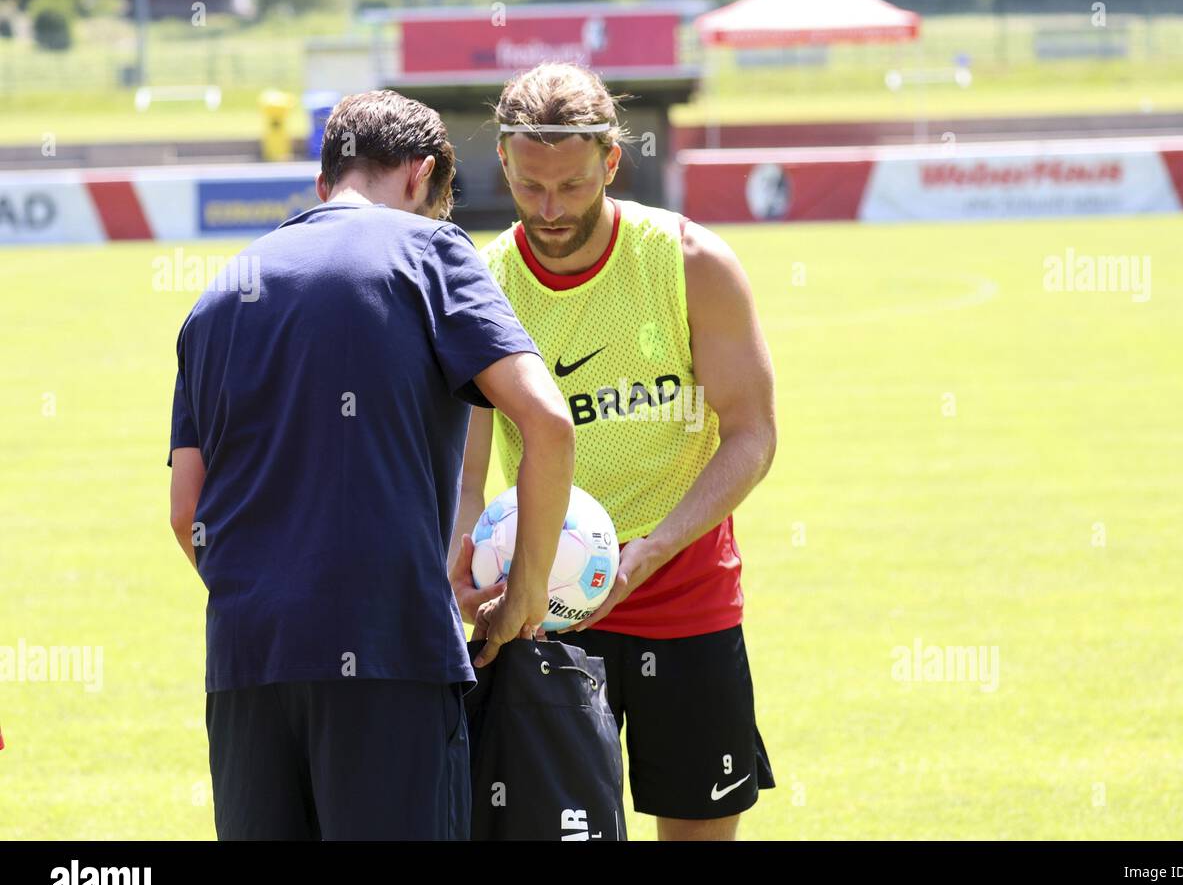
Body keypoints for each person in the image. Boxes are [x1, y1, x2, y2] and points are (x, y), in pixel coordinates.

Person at [168, 89, 574, 840]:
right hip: (393, 656)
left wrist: (272, 598)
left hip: (246, 665)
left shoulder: (216, 296)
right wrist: (521, 599)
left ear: (325, 184)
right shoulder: (431, 251)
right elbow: (547, 422)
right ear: (421, 177)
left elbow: (187, 514)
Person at [448, 63, 778, 841]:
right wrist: (459, 565)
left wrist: (651, 551)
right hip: (544, 612)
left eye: (570, 185)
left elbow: (753, 434)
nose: (550, 209)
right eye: (530, 187)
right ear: (504, 162)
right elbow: (465, 472)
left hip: (688, 602)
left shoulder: (690, 263)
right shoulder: (482, 287)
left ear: (611, 163)